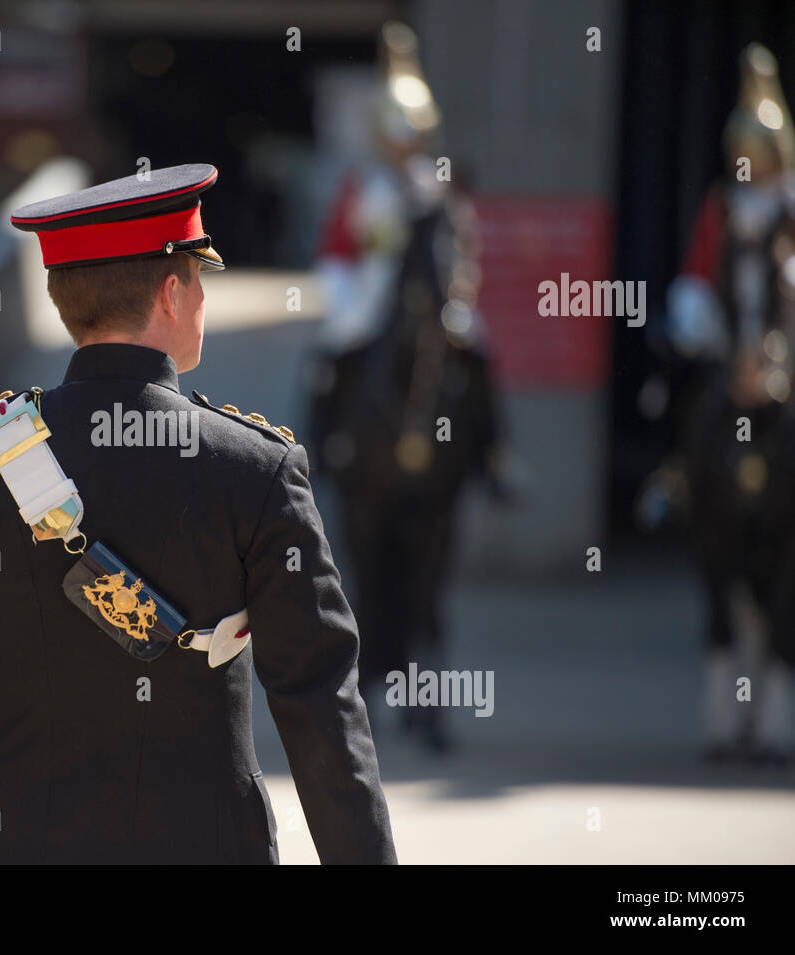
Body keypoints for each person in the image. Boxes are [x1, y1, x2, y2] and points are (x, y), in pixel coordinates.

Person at [0, 163, 396, 864]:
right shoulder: (257, 467)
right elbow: (323, 712)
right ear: (172, 293)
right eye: (199, 279)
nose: (203, 298)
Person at [309, 21, 514, 753]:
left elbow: (464, 255)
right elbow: (337, 255)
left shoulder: (442, 187)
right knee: (331, 348)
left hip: (431, 309)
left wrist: (453, 285)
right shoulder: (360, 188)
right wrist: (364, 272)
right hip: (368, 297)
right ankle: (319, 445)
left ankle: (494, 456)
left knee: (479, 349)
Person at [650, 44, 795, 765]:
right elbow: (696, 280)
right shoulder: (722, 207)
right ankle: (674, 470)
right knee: (682, 390)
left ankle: (772, 716)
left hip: (783, 361)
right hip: (728, 358)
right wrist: (701, 327)